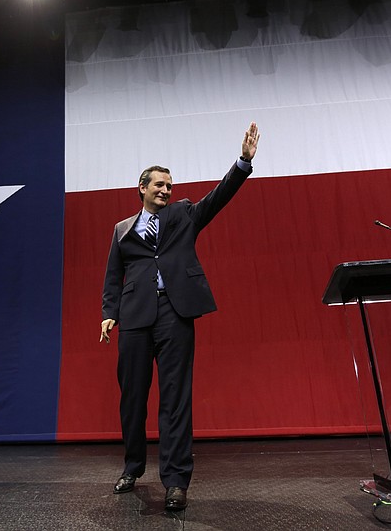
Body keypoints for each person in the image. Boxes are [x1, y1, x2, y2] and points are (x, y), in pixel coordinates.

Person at [100, 122, 260, 511]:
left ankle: (175, 481)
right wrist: (108, 313)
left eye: (169, 186)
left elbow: (219, 197)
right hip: (134, 318)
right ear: (142, 188)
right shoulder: (122, 229)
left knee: (175, 399)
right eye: (159, 185)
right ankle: (133, 466)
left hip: (175, 313)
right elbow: (112, 277)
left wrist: (242, 163)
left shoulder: (185, 215)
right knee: (133, 398)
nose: (166, 190)